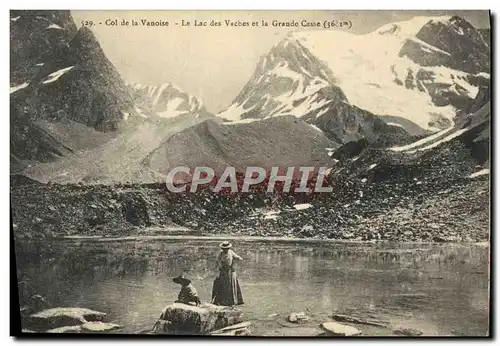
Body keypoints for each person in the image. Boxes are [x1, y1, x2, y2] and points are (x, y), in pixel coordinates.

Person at [211, 241, 244, 306]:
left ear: (228, 248)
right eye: (224, 249)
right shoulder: (220, 253)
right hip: (223, 271)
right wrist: (219, 267)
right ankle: (222, 301)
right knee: (223, 286)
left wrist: (234, 264)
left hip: (230, 271)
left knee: (230, 286)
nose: (225, 250)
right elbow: (217, 261)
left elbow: (239, 258)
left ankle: (231, 301)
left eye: (226, 248)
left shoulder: (231, 252)